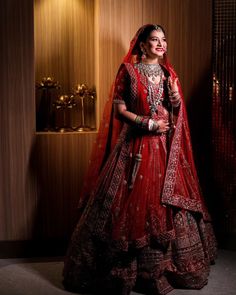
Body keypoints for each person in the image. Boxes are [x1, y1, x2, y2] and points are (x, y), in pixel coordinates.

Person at [63, 24, 217, 295]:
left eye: (164, 40)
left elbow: (176, 111)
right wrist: (147, 124)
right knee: (124, 205)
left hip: (164, 151)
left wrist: (177, 100)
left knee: (163, 205)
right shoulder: (129, 72)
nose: (161, 44)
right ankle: (123, 272)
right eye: (154, 40)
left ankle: (157, 271)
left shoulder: (170, 73)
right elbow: (119, 108)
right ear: (142, 45)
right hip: (134, 147)